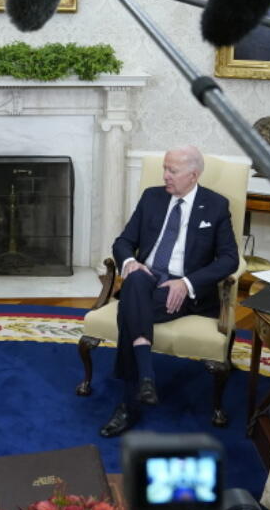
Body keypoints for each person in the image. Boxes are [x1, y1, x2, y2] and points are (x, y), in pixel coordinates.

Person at [99, 145, 239, 437]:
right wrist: (130, 262)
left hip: (180, 290)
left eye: (172, 171)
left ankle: (128, 404)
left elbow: (229, 259)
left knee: (130, 308)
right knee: (136, 281)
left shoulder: (215, 206)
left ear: (193, 175)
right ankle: (146, 375)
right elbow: (123, 241)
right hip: (145, 278)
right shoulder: (152, 197)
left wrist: (186, 284)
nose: (165, 176)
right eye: (164, 168)